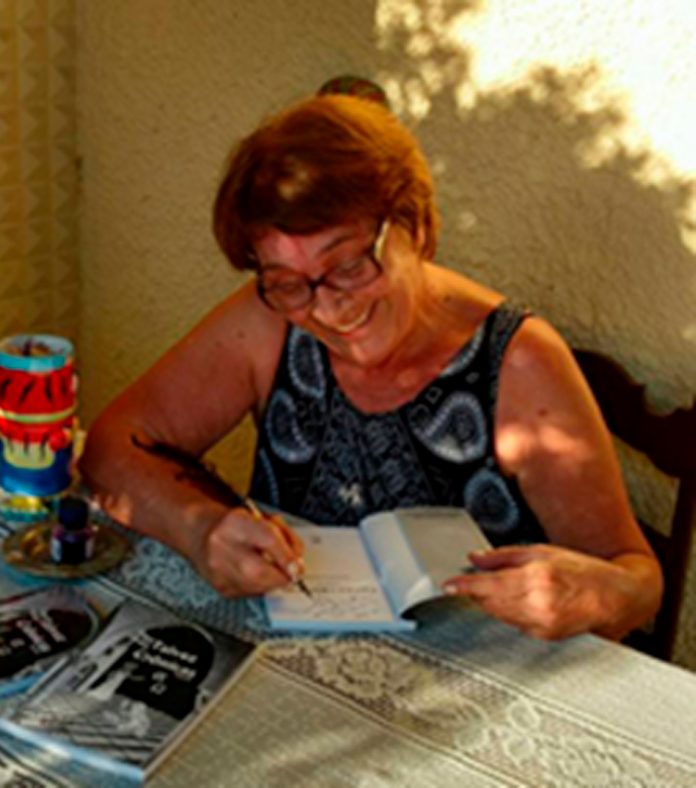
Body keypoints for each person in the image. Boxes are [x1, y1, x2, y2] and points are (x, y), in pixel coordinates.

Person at [79, 93, 662, 642]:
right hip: (296, 660)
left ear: (419, 229)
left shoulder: (518, 362)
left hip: (473, 681)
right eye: (288, 281)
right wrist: (200, 528)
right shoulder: (271, 320)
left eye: (350, 266)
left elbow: (639, 581)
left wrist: (593, 597)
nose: (328, 309)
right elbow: (111, 448)